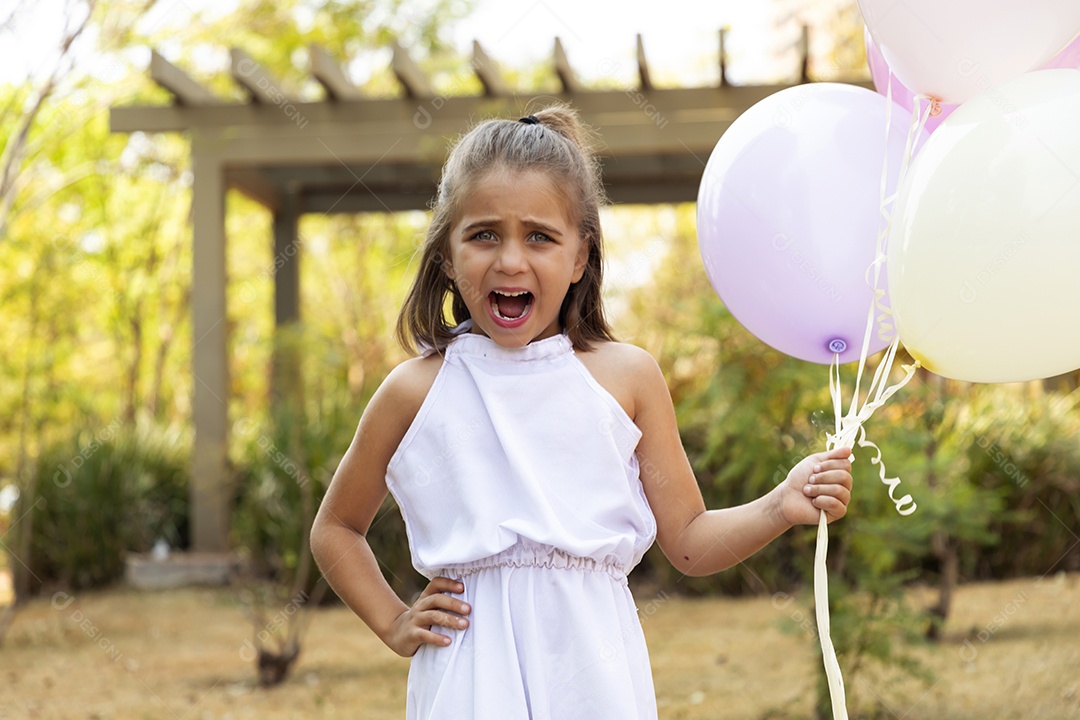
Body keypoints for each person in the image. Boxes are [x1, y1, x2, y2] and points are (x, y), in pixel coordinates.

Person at [310, 104, 853, 719]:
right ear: (446, 254)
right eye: (484, 233)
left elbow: (691, 545)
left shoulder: (628, 378)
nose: (511, 260)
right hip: (469, 676)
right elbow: (335, 529)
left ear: (579, 258)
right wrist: (393, 621)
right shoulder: (414, 391)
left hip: (594, 679)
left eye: (539, 236)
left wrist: (780, 504)